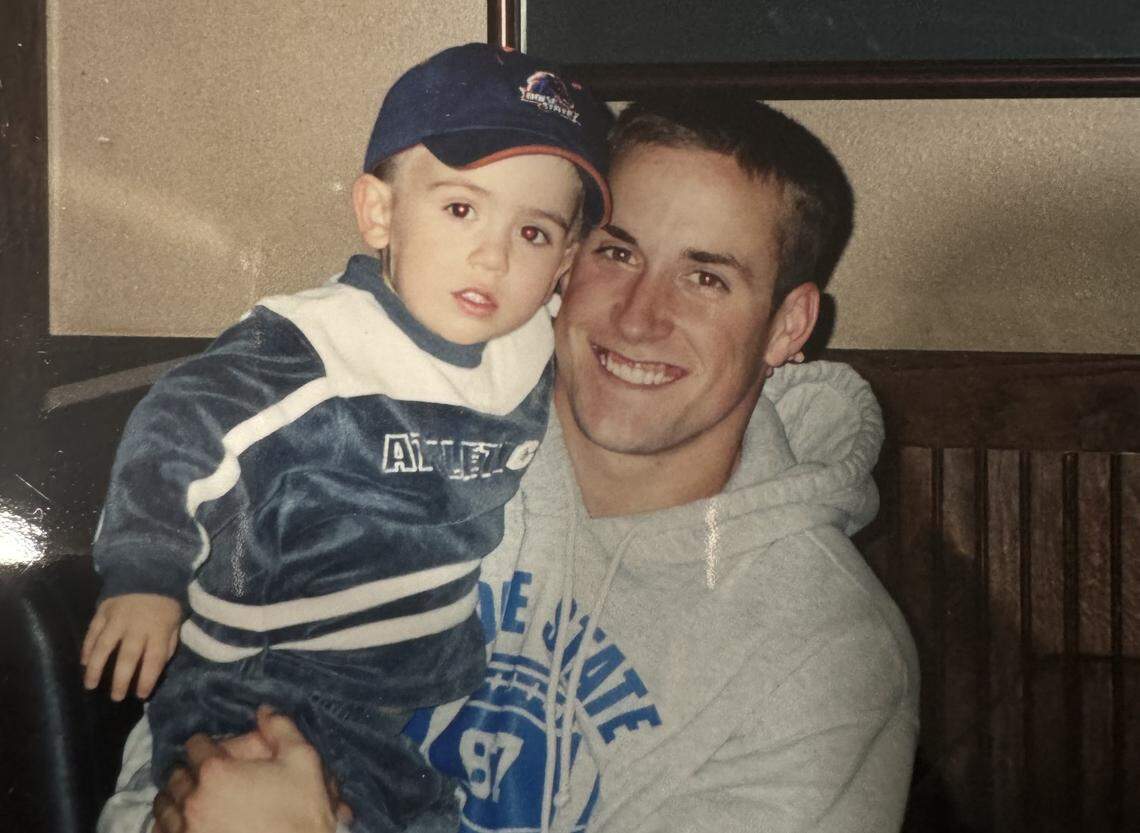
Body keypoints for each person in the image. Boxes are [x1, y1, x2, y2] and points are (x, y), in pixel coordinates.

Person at [101, 95, 920, 833]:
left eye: (706, 277)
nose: (639, 317)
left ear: (788, 324)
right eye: (617, 253)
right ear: (561, 262)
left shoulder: (824, 653)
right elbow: (183, 736)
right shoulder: (401, 443)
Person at [83, 42, 612, 833]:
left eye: (534, 234)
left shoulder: (534, 350)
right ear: (380, 212)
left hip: (397, 699)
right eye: (461, 208)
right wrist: (143, 572)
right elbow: (178, 423)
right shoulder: (315, 344)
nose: (494, 254)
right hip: (258, 685)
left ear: (567, 260)